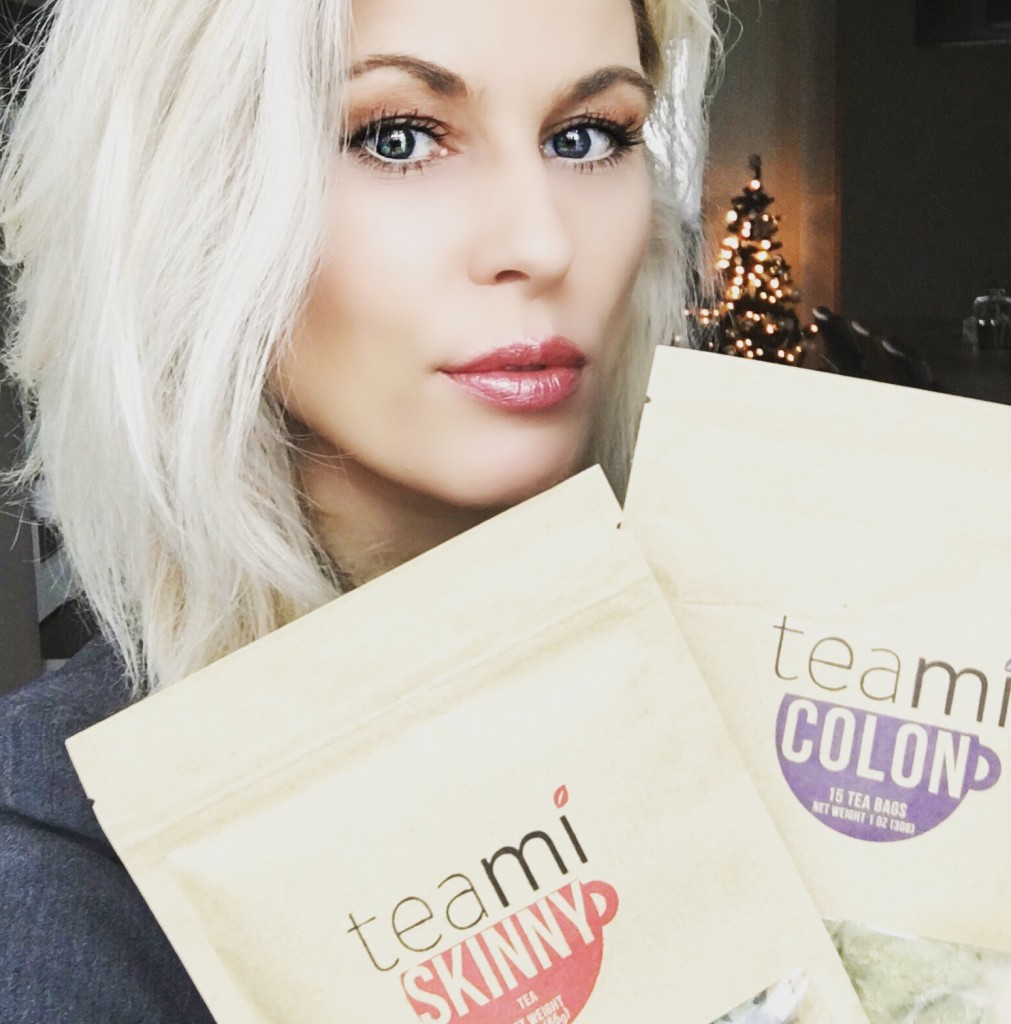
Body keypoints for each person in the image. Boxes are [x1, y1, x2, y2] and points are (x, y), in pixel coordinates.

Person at [0, 0, 717, 1018]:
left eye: (585, 137)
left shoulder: (747, 691)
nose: (542, 241)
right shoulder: (51, 881)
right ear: (187, 201)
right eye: (398, 137)